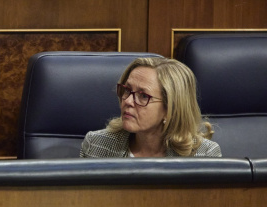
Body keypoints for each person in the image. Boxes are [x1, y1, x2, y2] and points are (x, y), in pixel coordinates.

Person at [80, 57, 221, 158]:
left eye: (143, 96)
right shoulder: (96, 145)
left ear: (170, 109)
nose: (128, 101)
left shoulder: (204, 154)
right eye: (127, 90)